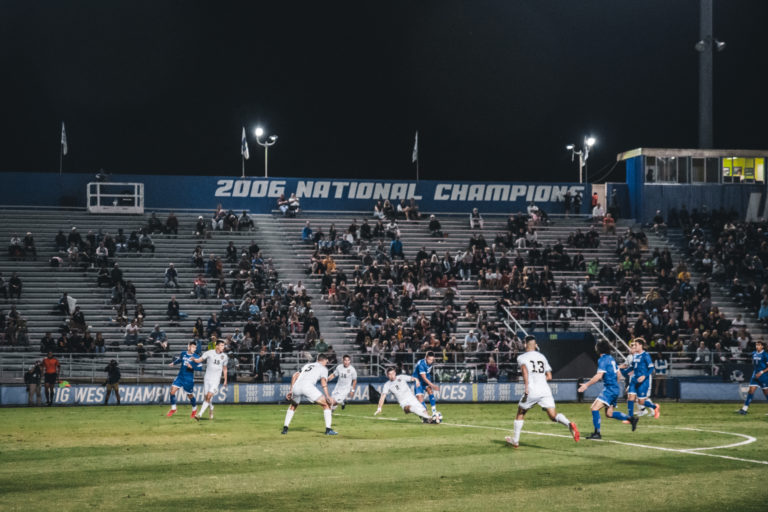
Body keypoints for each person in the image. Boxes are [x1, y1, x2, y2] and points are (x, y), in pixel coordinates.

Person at [505, 336, 579, 448]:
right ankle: (569, 424)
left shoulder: (522, 357)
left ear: (525, 344)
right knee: (553, 416)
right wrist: (539, 380)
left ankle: (515, 441)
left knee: (521, 412)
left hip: (532, 389)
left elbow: (524, 371)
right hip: (545, 390)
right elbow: (549, 376)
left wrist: (526, 387)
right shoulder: (542, 357)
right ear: (535, 345)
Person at [578, 341, 638, 439]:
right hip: (615, 389)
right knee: (609, 414)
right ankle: (631, 419)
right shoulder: (611, 359)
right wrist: (615, 385)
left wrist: (586, 385)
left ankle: (597, 433)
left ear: (599, 349)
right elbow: (618, 374)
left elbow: (599, 375)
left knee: (594, 408)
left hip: (609, 389)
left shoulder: (602, 359)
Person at [282, 354, 338, 435]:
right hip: (308, 387)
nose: (327, 362)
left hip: (296, 387)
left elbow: (294, 376)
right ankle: (328, 430)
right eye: (327, 361)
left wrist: (291, 390)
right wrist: (327, 396)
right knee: (326, 404)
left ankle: (285, 428)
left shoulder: (307, 365)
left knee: (293, 406)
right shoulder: (324, 368)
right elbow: (323, 383)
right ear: (323, 360)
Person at [623, 339, 659, 419]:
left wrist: (644, 376)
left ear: (640, 345)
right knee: (630, 397)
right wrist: (621, 371)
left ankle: (655, 407)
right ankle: (630, 418)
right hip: (634, 380)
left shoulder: (645, 355)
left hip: (643, 381)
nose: (634, 346)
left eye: (635, 345)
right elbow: (631, 367)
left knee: (641, 401)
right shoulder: (635, 355)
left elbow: (651, 368)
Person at [193, 339, 229, 420]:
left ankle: (199, 415)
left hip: (216, 380)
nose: (223, 347)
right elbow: (200, 360)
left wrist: (225, 380)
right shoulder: (209, 353)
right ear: (217, 346)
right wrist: (194, 360)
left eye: (224, 345)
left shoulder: (225, 357)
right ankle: (211, 408)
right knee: (206, 397)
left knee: (209, 396)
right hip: (207, 378)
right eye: (222, 345)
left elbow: (225, 369)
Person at [167, 341, 203, 418]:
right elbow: (180, 360)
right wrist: (173, 363)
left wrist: (192, 367)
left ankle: (194, 409)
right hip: (180, 377)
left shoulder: (196, 357)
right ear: (189, 347)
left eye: (195, 347)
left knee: (189, 395)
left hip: (188, 379)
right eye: (193, 347)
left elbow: (200, 368)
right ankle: (173, 408)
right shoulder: (183, 353)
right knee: (172, 391)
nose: (194, 348)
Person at [736, 339, 768, 415]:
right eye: (756, 345)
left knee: (766, 393)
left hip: (763, 377)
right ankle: (744, 409)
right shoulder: (754, 353)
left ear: (762, 346)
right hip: (755, 376)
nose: (757, 346)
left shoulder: (765, 355)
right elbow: (746, 355)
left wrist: (761, 372)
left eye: (759, 345)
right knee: (750, 391)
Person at [412, 351, 439, 415]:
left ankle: (434, 411)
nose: (431, 361)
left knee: (430, 390)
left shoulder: (431, 362)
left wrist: (431, 385)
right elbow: (423, 377)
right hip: (418, 380)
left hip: (426, 378)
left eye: (432, 360)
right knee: (420, 397)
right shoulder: (421, 364)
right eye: (429, 359)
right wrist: (432, 385)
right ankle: (425, 413)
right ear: (426, 358)